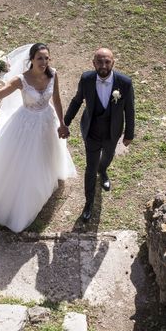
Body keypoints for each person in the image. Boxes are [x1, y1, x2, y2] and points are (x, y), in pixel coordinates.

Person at [0, 43, 76, 233]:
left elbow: (56, 99)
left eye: (47, 58)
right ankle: (22, 198)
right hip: (26, 124)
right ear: (31, 59)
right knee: (25, 161)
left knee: (46, 156)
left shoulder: (53, 74)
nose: (44, 62)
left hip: (47, 121)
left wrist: (62, 123)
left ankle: (43, 183)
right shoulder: (21, 80)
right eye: (40, 58)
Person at [60, 47, 135, 222]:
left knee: (107, 157)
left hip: (112, 133)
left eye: (107, 61)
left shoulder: (125, 83)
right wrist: (66, 122)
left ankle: (104, 170)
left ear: (113, 63)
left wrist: (129, 133)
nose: (103, 65)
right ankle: (88, 203)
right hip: (92, 132)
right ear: (93, 63)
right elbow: (77, 100)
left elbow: (130, 110)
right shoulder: (86, 79)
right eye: (99, 61)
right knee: (90, 168)